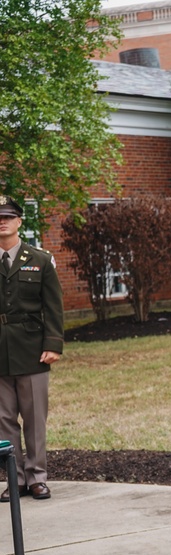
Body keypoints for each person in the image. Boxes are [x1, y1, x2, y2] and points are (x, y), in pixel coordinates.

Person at [0, 193, 63, 503]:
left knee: (35, 418)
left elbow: (53, 307)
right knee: (4, 419)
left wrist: (54, 344)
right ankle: (15, 479)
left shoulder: (40, 259)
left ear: (19, 222)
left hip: (32, 348)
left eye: (8, 217)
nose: (2, 222)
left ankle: (37, 477)